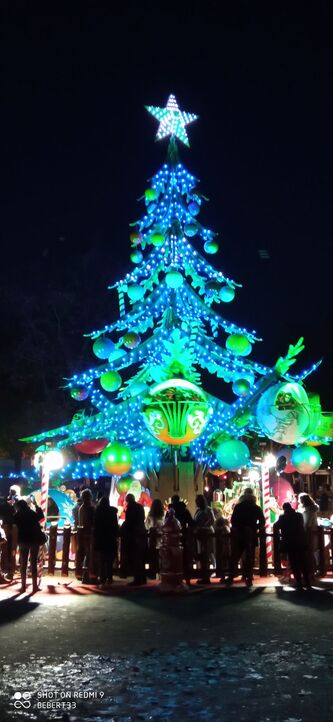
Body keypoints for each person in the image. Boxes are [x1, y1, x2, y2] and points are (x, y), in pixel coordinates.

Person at [226, 488, 265, 587]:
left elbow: (233, 520)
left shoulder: (238, 507)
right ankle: (248, 576)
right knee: (249, 556)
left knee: (236, 555)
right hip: (250, 534)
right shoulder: (256, 507)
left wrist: (237, 528)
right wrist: (254, 527)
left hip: (239, 534)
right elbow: (262, 522)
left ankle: (231, 576)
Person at [274, 502, 311, 589]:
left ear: (284, 509)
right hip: (300, 541)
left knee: (294, 562)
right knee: (303, 562)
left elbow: (276, 526)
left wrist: (279, 537)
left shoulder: (283, 517)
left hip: (290, 542)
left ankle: (298, 581)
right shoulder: (299, 515)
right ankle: (307, 581)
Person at [13, 498, 44, 593]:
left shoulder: (17, 515)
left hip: (22, 540)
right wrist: (37, 506)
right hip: (34, 540)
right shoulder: (31, 513)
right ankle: (34, 586)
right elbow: (41, 517)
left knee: (23, 563)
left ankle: (23, 586)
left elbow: (12, 523)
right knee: (33, 563)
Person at [121, 493, 147, 585]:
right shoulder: (140, 507)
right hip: (142, 532)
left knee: (136, 557)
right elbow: (143, 518)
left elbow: (129, 522)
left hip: (134, 534)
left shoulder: (130, 508)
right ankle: (143, 578)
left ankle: (137, 579)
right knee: (141, 557)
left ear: (127, 500)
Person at [93, 496, 119, 587]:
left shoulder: (98, 512)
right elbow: (115, 525)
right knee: (109, 560)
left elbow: (95, 525)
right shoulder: (112, 512)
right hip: (110, 538)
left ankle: (102, 578)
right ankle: (110, 577)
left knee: (101, 559)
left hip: (100, 538)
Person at [194, 494, 215, 584]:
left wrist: (203, 526)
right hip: (200, 533)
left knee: (207, 553)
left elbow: (212, 520)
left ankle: (207, 575)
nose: (196, 502)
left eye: (198, 501)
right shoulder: (198, 510)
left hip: (206, 532)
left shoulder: (208, 509)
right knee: (202, 554)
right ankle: (203, 574)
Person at [298, 493, 319, 582]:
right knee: (311, 552)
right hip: (311, 532)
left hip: (309, 533)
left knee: (309, 552)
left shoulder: (308, 511)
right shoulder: (310, 509)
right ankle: (312, 571)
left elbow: (307, 524)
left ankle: (311, 572)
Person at [78, 488, 95, 583]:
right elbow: (92, 522)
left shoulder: (81, 508)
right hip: (89, 534)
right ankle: (87, 575)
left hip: (82, 534)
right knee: (89, 554)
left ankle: (84, 574)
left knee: (85, 554)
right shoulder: (90, 508)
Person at [145, 499, 165, 577]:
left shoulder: (150, 517)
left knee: (153, 556)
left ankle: (152, 572)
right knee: (160, 556)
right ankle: (160, 571)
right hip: (161, 539)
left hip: (152, 539)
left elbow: (146, 526)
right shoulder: (163, 516)